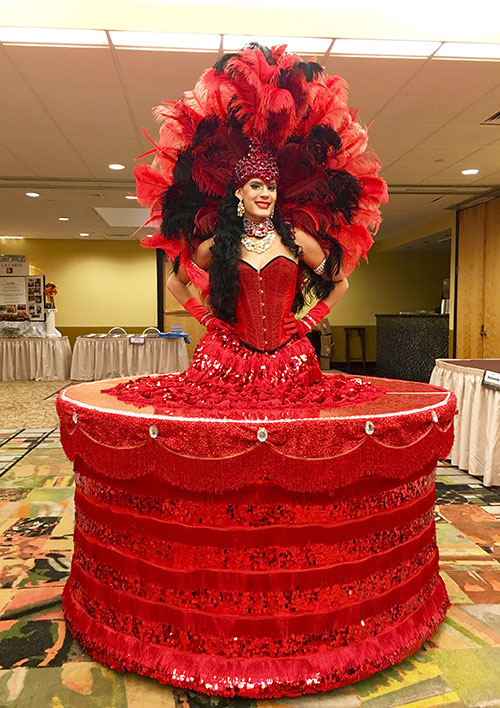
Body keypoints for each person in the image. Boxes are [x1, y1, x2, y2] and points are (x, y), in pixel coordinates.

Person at [105, 44, 388, 413]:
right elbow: (176, 281)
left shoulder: (298, 240)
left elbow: (340, 281)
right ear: (239, 191)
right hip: (226, 361)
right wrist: (205, 317)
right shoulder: (218, 243)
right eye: (256, 185)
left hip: (291, 360)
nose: (265, 193)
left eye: (270, 187)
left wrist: (308, 322)